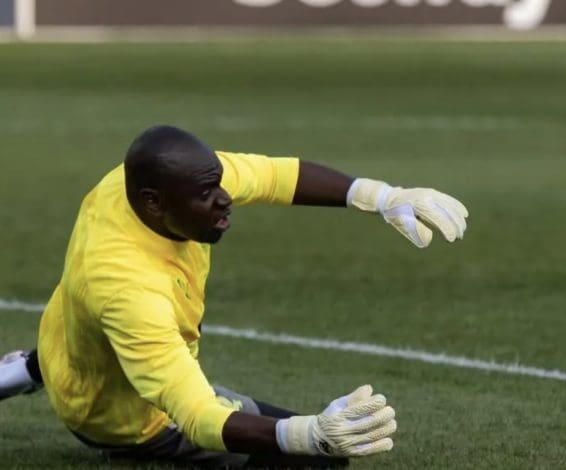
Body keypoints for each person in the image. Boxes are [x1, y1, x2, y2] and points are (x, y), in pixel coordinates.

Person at [0, 125, 468, 468]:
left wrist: (381, 196)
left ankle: (25, 370)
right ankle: (132, 454)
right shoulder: (128, 291)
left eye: (219, 183)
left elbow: (271, 175)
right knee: (318, 463)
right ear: (154, 203)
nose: (225, 198)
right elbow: (197, 414)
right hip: (122, 417)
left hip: (67, 345)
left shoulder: (137, 185)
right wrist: (312, 435)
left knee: (97, 340)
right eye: (208, 194)